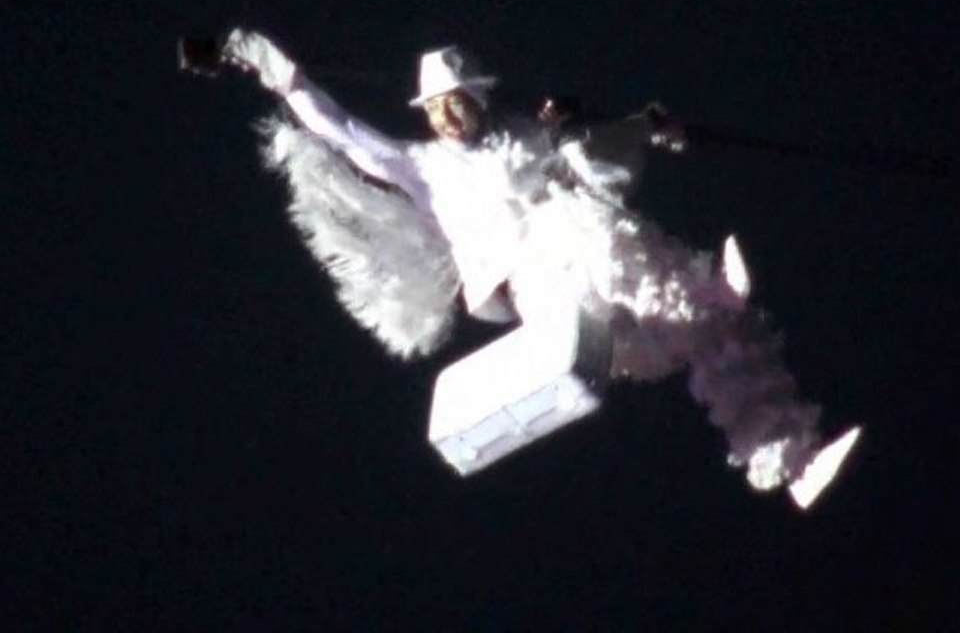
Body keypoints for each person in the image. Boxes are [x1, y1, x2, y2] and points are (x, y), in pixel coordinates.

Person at [187, 28, 861, 509]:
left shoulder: (527, 136)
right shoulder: (421, 167)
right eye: (437, 108)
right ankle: (689, 304)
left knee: (709, 321)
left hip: (599, 261)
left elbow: (589, 153)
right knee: (586, 225)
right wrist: (260, 60)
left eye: (458, 101)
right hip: (538, 279)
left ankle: (792, 456)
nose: (449, 116)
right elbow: (337, 128)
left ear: (478, 98)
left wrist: (644, 127)